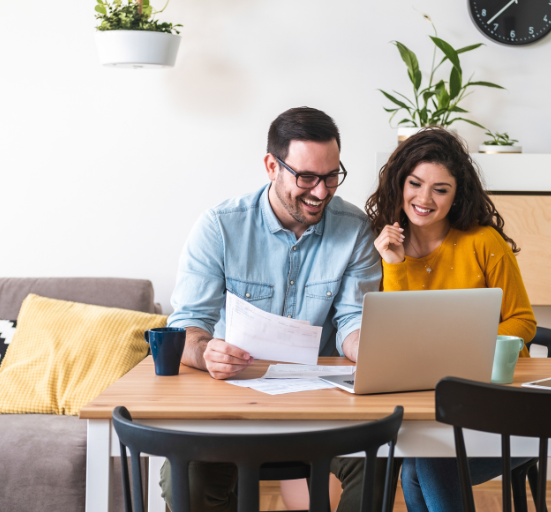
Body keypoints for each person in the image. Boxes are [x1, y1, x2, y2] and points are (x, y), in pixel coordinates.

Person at [163, 107, 396, 512]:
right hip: (229, 405)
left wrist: (368, 347)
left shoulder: (355, 228)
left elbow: (352, 320)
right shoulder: (219, 227)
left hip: (321, 407)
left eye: (331, 177)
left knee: (378, 462)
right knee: (187, 481)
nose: (321, 192)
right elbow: (186, 325)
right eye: (306, 178)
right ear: (272, 165)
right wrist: (205, 353)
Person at [365, 127, 537, 512]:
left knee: (424, 457)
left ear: (457, 194)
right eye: (415, 183)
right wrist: (393, 266)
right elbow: (396, 337)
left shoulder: (483, 243)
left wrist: (464, 351)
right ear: (399, 183)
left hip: (496, 409)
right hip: (428, 405)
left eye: (440, 189)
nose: (424, 199)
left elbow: (523, 321)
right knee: (421, 457)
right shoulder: (382, 247)